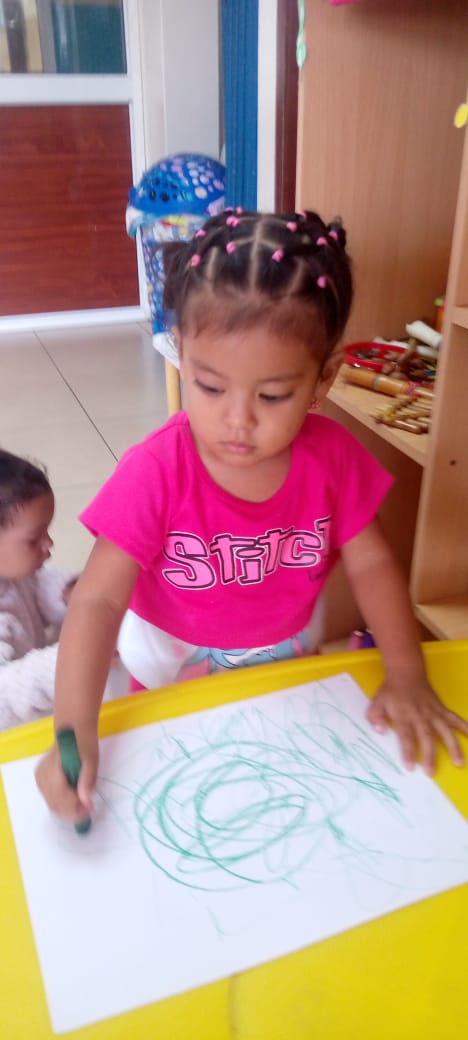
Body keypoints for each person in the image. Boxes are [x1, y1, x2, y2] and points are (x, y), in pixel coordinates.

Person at [35, 208, 468, 825]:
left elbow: (373, 565)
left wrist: (405, 672)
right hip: (170, 673)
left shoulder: (333, 458)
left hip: (284, 665)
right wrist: (74, 727)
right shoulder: (155, 471)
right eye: (210, 387)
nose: (238, 420)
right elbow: (99, 601)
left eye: (272, 395)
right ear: (182, 354)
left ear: (323, 379)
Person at [0, 449, 77, 729]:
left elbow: (35, 586)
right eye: (34, 539)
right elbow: (5, 697)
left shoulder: (12, 573)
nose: (49, 543)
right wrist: (74, 656)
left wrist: (68, 592)